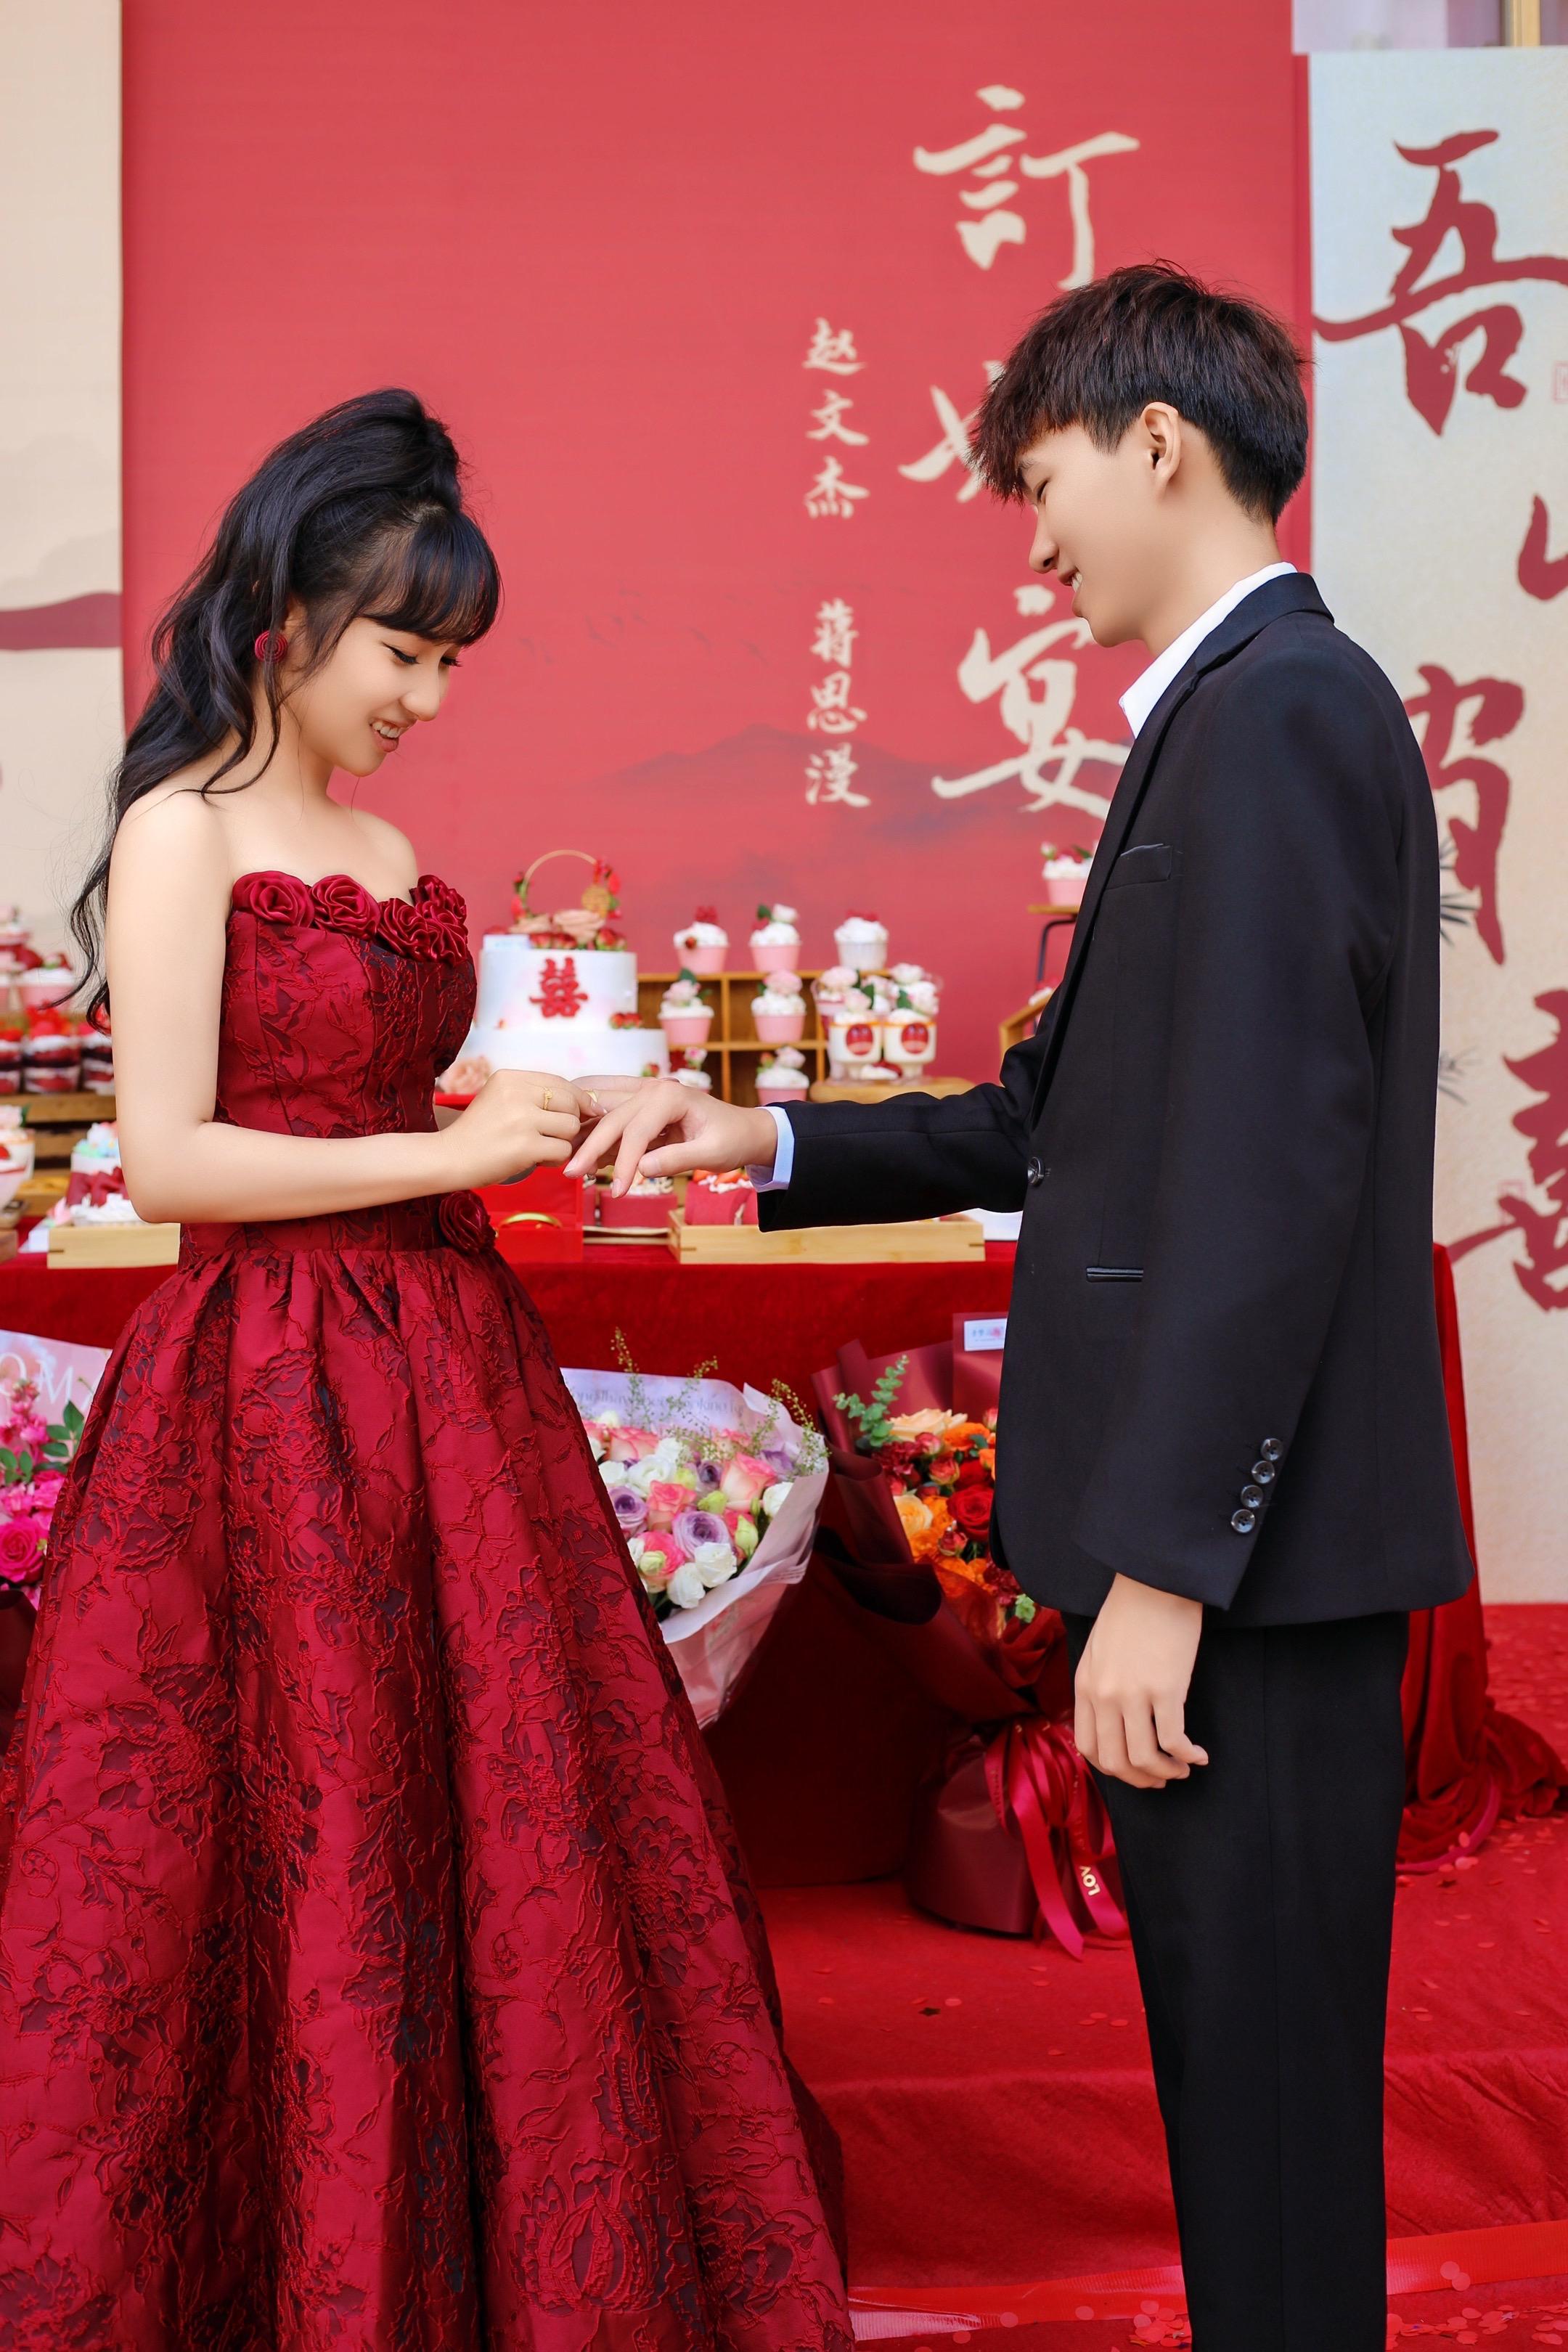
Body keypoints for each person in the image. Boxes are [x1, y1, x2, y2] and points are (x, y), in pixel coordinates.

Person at [569, 265, 1474, 2351]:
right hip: (1237, 1571)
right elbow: (1053, 1120)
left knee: (1270, 2116)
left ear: (1159, 443)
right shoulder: (1230, 718)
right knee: (1240, 2106)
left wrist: (1166, 1571)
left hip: (1249, 1584)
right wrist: (761, 1135)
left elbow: (1273, 1180)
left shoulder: (1283, 716)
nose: (1034, 538)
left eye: (1041, 479)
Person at [0, 389, 852, 2351]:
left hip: (445, 1381)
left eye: (453, 660)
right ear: (288, 614)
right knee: (294, 1829)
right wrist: (454, 1153)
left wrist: (532, 1103)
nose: (429, 698)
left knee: (477, 1837)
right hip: (263, 1388)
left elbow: (391, 1095)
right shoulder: (183, 829)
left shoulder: (383, 845)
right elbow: (172, 1162)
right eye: (406, 650)